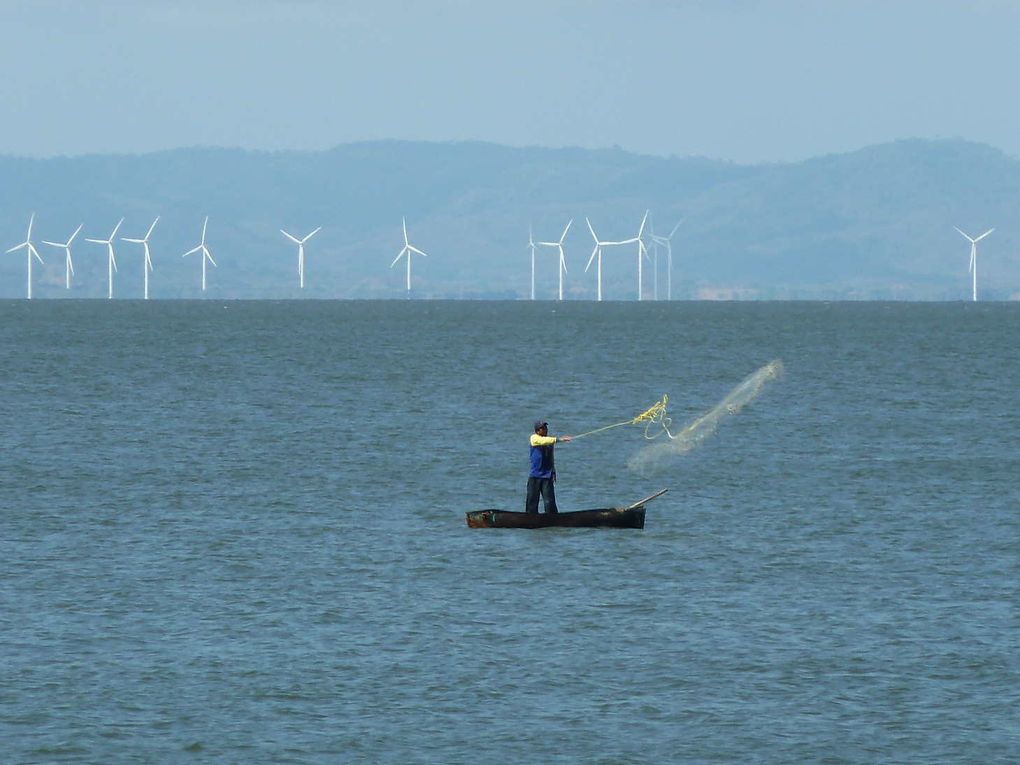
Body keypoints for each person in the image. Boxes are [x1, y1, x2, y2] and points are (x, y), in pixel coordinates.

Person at [526, 420, 573, 514]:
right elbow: (543, 441)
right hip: (535, 476)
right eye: (542, 428)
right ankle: (530, 518)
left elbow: (551, 457)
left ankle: (552, 518)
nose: (545, 430)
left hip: (547, 475)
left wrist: (553, 471)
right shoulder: (534, 438)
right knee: (532, 501)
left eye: (545, 428)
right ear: (537, 431)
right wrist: (559, 439)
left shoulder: (549, 441)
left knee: (549, 502)